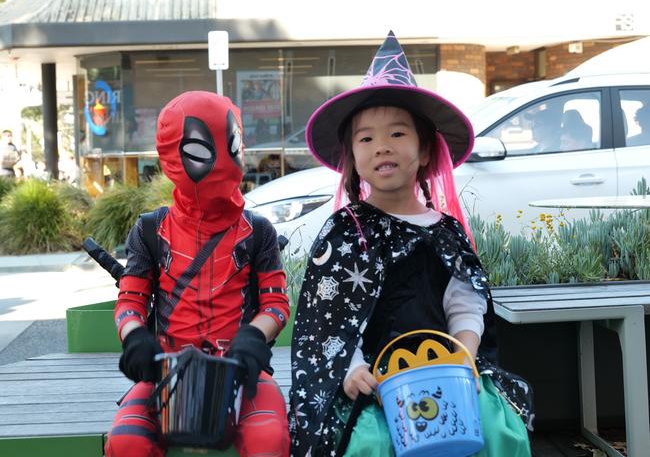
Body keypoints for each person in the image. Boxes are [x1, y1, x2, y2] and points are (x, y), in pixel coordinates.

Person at [289, 32, 533, 457]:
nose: (381, 145)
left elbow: (466, 303)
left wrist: (465, 356)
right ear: (353, 155)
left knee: (496, 428)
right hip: (375, 385)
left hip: (446, 372)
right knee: (373, 443)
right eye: (366, 138)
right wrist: (352, 371)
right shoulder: (347, 233)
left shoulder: (446, 231)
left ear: (424, 152)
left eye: (397, 133)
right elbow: (327, 322)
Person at [105, 92, 290, 457]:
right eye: (203, 150)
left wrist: (254, 336)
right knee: (126, 442)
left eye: (231, 145)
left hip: (240, 371)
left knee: (268, 440)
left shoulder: (258, 231)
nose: (222, 160)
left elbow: (276, 303)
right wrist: (136, 336)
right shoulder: (149, 231)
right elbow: (130, 300)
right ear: (174, 155)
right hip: (166, 371)